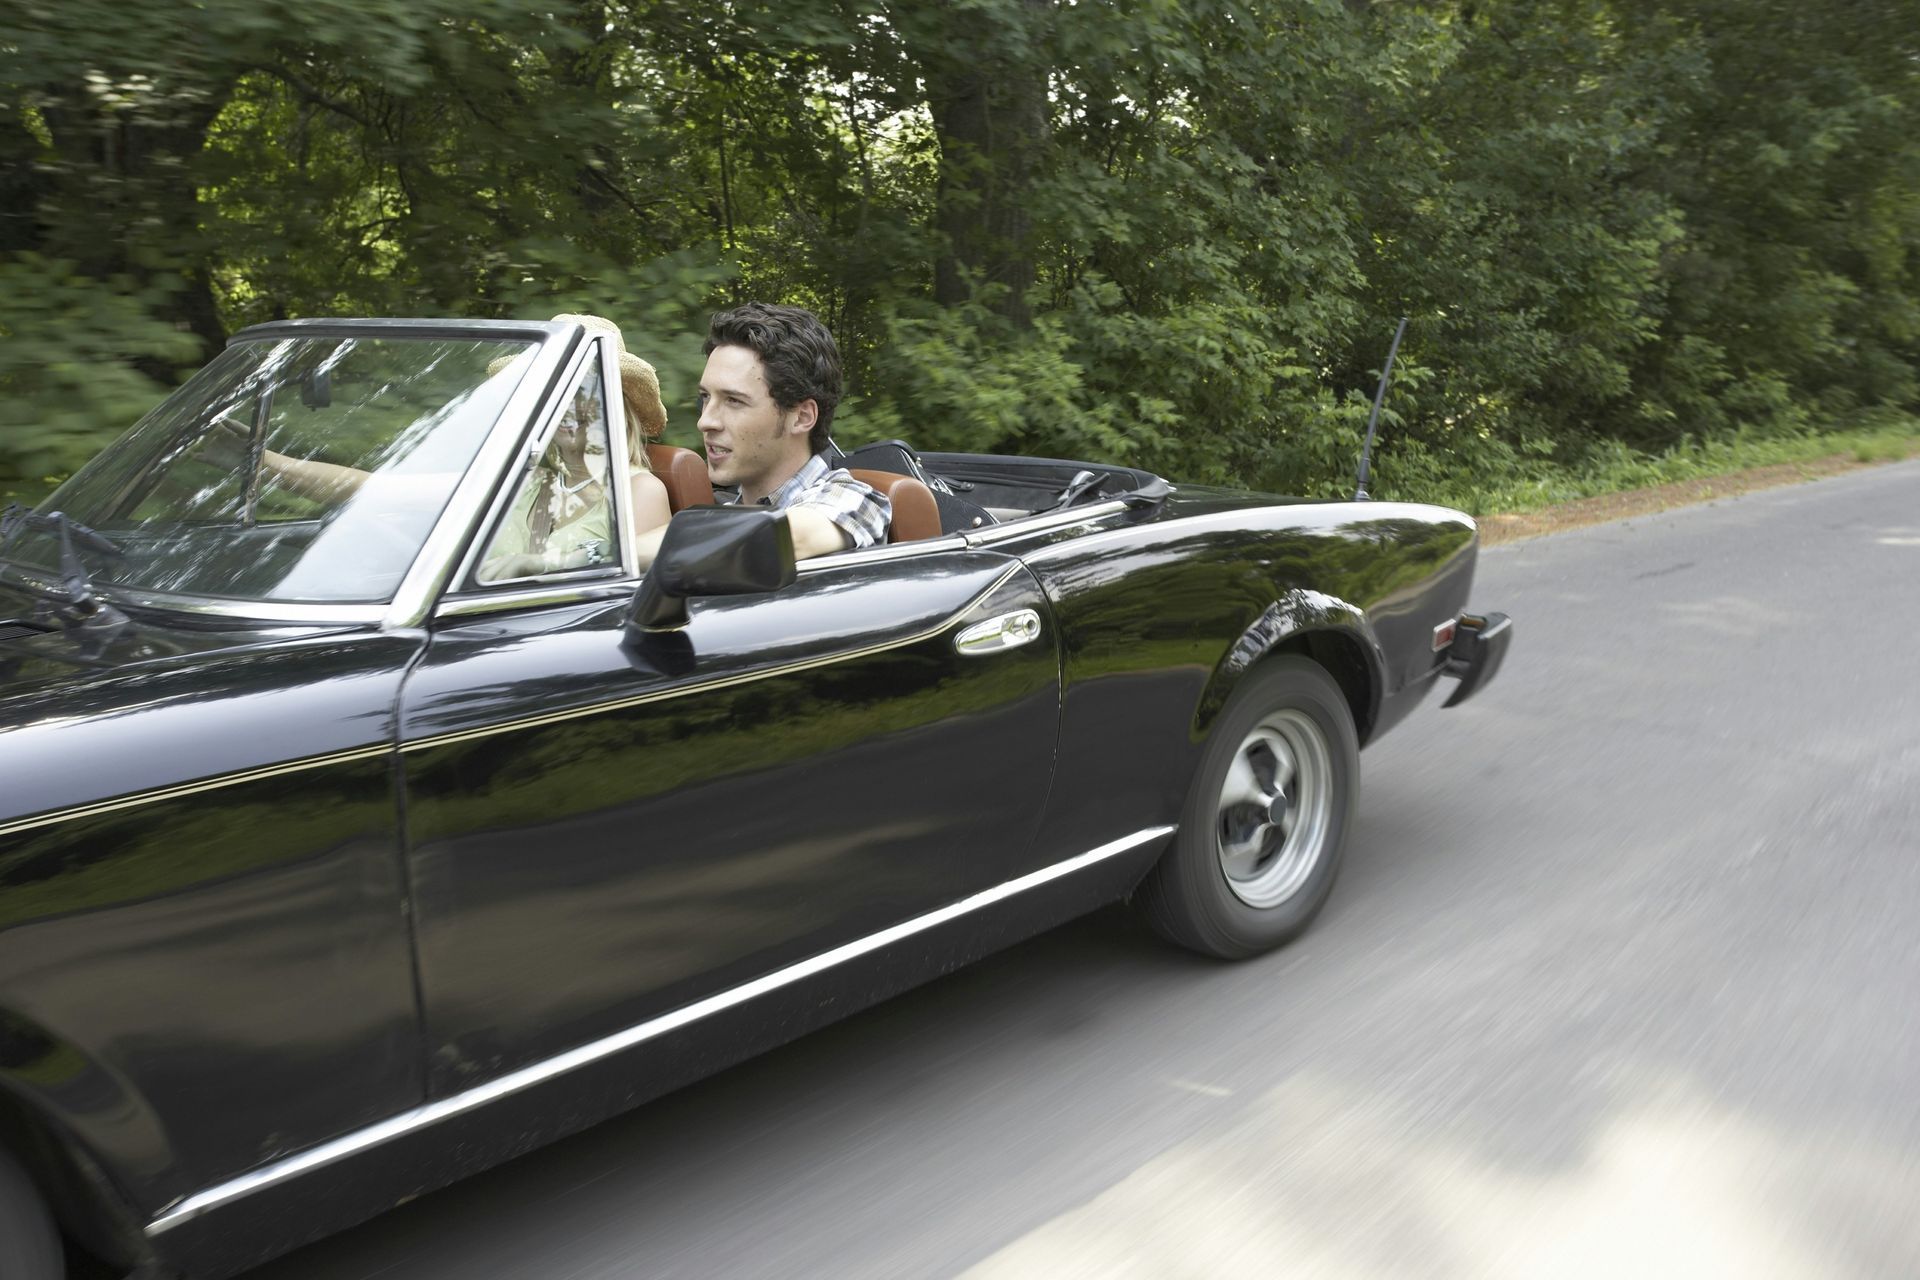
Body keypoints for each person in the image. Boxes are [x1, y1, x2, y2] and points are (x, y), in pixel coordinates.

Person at [635, 303, 888, 568]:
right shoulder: (727, 510)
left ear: (801, 417)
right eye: (705, 397)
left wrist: (608, 557)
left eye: (733, 401)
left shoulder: (855, 499)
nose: (705, 421)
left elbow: (781, 536)